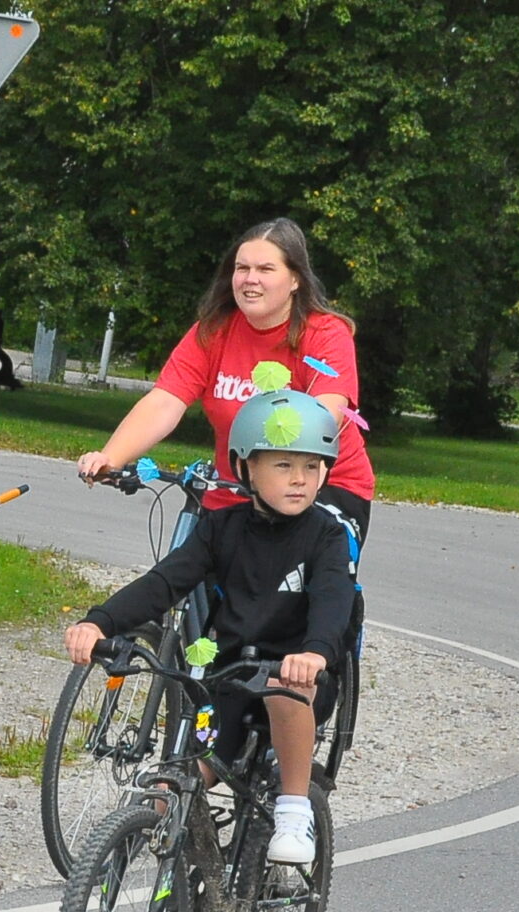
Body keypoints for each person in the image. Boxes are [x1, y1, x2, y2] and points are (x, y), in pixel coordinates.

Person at [63, 388, 355, 865]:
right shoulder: (222, 528)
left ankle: (294, 810)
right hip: (229, 680)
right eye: (284, 465)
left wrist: (316, 652)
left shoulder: (326, 535)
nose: (300, 479)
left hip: (300, 679)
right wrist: (99, 622)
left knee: (284, 689)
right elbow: (165, 582)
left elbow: (333, 598)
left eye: (312, 466)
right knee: (173, 784)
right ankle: (123, 887)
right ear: (246, 467)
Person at [76, 217, 376, 542]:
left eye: (265, 269)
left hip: (318, 491)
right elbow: (164, 402)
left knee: (282, 570)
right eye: (241, 268)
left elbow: (324, 416)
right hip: (233, 492)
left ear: (295, 279)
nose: (250, 279)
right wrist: (110, 458)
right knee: (182, 568)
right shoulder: (213, 331)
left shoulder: (325, 334)